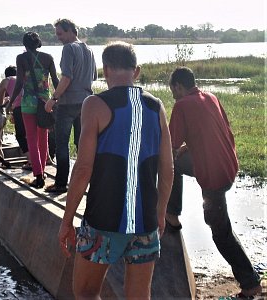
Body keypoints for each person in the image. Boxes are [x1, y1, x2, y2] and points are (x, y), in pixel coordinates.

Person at [58, 41, 174, 299]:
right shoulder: (156, 107)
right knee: (139, 295)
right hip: (144, 222)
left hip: (102, 220)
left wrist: (67, 221)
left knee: (86, 292)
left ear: (105, 69)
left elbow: (83, 169)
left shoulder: (94, 104)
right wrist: (161, 212)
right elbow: (168, 169)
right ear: (137, 71)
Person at [165, 66, 262, 298]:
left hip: (214, 175)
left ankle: (250, 284)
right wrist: (189, 147)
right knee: (177, 164)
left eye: (173, 91)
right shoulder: (210, 97)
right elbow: (217, 130)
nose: (174, 96)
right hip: (229, 166)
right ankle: (173, 213)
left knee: (220, 232)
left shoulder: (182, 105)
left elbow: (170, 146)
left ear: (178, 86)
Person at [45, 18, 97, 194]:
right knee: (83, 145)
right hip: (86, 103)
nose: (58, 37)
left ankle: (61, 183)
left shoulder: (68, 48)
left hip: (68, 104)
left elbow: (67, 77)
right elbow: (94, 77)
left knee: (62, 144)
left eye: (60, 33)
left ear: (70, 31)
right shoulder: (89, 49)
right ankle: (87, 182)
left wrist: (53, 98)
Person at [8, 32, 59, 188]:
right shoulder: (48, 57)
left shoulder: (21, 58)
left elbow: (19, 84)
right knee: (43, 139)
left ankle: (38, 175)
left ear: (24, 44)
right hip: (45, 103)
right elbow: (56, 81)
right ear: (39, 43)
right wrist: (56, 100)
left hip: (28, 103)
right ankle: (42, 170)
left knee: (31, 139)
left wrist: (10, 103)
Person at [0, 65, 30, 169]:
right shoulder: (24, 78)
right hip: (31, 106)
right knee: (31, 134)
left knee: (20, 135)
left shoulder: (6, 81)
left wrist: (6, 100)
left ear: (6, 74)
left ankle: (30, 160)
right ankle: (43, 159)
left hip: (19, 108)